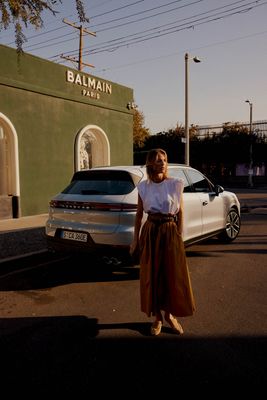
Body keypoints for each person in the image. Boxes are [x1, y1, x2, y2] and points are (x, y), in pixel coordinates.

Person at [130, 148, 195, 336]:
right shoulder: (144, 187)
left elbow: (180, 211)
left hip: (169, 230)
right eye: (158, 160)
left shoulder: (175, 184)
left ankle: (170, 315)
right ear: (150, 163)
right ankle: (157, 317)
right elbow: (139, 215)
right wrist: (135, 240)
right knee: (153, 275)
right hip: (150, 231)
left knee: (172, 274)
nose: (162, 163)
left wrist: (179, 236)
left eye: (164, 159)